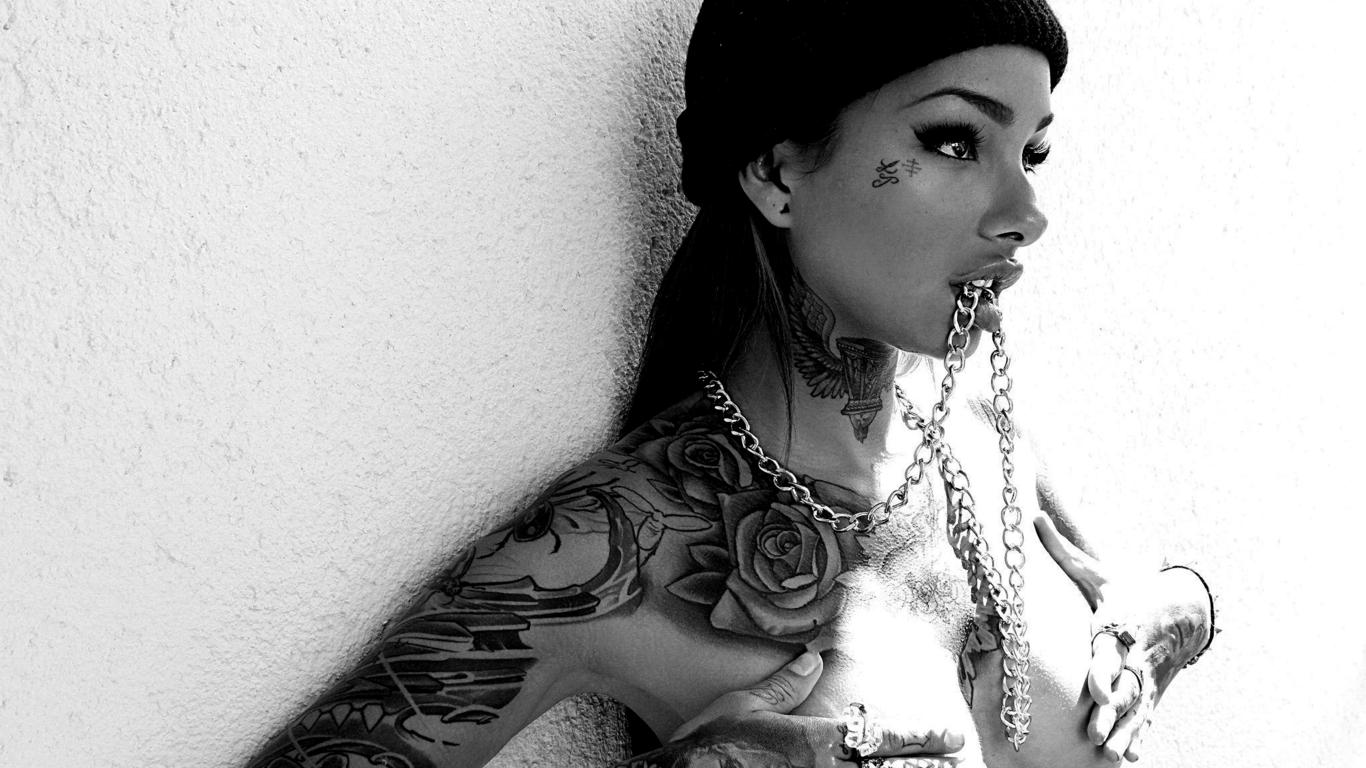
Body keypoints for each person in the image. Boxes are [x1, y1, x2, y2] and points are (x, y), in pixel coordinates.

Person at [247, 1, 1216, 766]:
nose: (1027, 212)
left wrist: (1181, 610)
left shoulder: (976, 430)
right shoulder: (610, 544)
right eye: (956, 140)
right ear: (775, 171)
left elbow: (1127, 592)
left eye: (1033, 152)